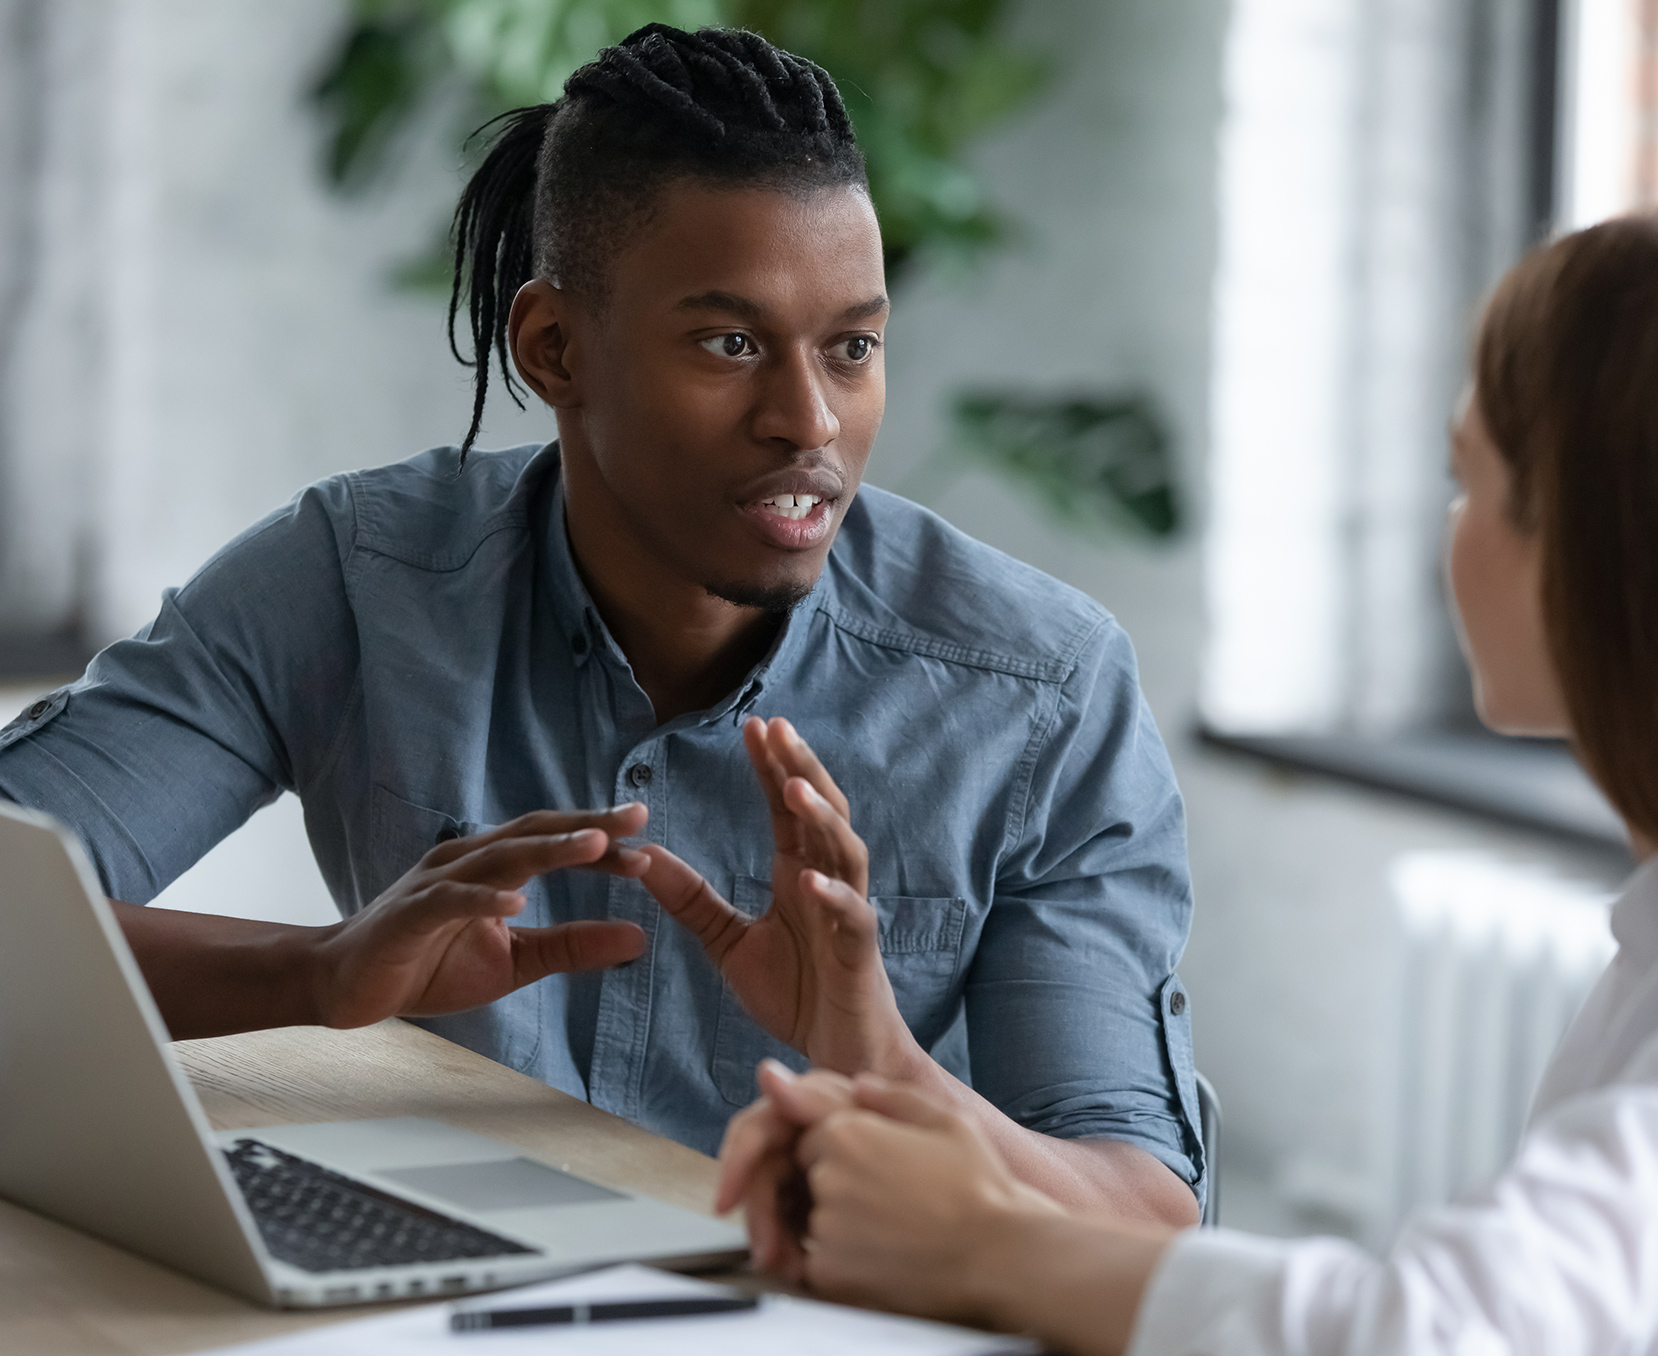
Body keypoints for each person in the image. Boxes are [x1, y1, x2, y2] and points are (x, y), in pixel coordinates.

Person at [0, 25, 1201, 1226]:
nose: (807, 421)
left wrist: (876, 1051)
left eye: (850, 348)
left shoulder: (1040, 692)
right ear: (554, 348)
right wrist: (316, 974)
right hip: (441, 1293)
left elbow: (1138, 1215)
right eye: (729, 343)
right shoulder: (358, 577)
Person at [717, 213, 1658, 1353]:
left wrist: (980, 1243)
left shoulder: (1048, 682)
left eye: (1468, 481)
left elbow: (1446, 1331)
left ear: (1599, 538)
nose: (1442, 538)